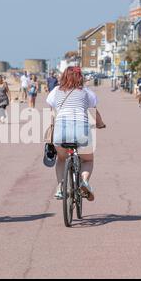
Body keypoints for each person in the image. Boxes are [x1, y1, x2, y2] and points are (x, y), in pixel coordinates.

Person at [46, 66, 106, 201]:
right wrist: (100, 124)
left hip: (60, 130)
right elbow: (94, 112)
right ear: (80, 77)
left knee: (61, 159)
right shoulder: (86, 92)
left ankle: (61, 187)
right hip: (81, 130)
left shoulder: (56, 91)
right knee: (88, 159)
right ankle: (84, 181)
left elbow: (52, 112)